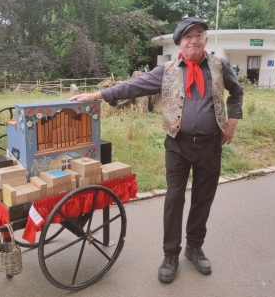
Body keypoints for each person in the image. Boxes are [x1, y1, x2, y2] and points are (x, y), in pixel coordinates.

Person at [69, 16, 244, 283]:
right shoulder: (168, 70)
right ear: (180, 44)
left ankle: (194, 248)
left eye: (199, 34)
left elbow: (237, 92)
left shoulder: (220, 66)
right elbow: (133, 86)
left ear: (205, 40)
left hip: (210, 145)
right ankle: (170, 253)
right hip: (178, 144)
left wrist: (232, 121)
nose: (194, 40)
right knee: (174, 199)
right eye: (188, 36)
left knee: (202, 198)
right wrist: (96, 96)